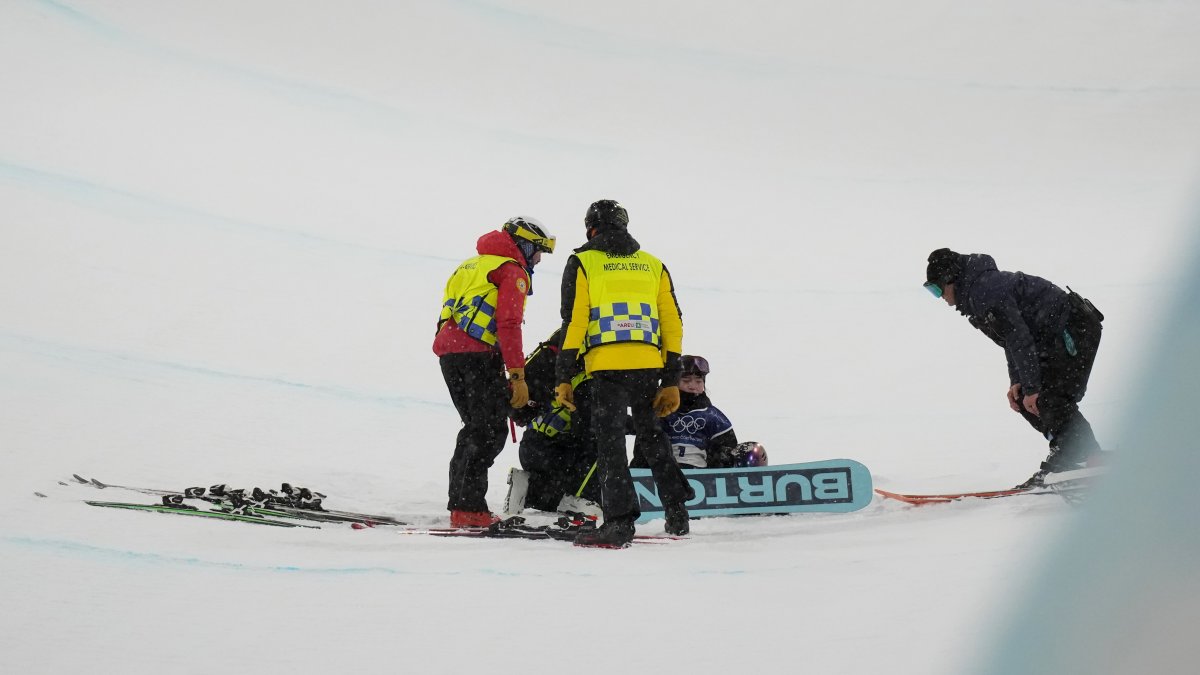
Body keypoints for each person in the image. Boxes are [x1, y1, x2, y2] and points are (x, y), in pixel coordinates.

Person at [554, 199, 692, 548]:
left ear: (591, 229)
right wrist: (671, 379)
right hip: (647, 364)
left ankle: (619, 521)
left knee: (611, 444)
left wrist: (563, 376)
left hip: (607, 366)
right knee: (652, 437)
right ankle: (677, 510)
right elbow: (672, 323)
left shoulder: (583, 262)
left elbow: (574, 322)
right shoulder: (653, 264)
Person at [924, 248, 1105, 488]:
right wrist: (1018, 382)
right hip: (1049, 339)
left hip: (1073, 327)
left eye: (937, 290)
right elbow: (1010, 341)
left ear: (951, 280)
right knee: (1023, 399)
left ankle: (1078, 456)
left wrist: (1032, 387)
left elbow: (1019, 339)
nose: (940, 298)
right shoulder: (977, 294)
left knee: (1048, 397)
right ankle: (1081, 455)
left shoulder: (985, 291)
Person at [433, 216, 555, 527]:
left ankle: (462, 505)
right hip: (477, 356)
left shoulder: (470, 265)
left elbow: (448, 310)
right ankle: (469, 507)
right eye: (538, 251)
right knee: (488, 431)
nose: (538, 260)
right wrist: (517, 375)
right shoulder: (512, 271)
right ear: (524, 245)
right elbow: (509, 324)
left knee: (476, 429)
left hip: (449, 354)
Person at [511, 329, 602, 514]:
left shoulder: (561, 379)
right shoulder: (587, 381)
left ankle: (528, 488)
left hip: (532, 446)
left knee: (549, 503)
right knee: (605, 442)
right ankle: (581, 498)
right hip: (554, 451)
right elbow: (590, 427)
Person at [633, 354, 767, 469]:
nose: (693, 386)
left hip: (701, 475)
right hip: (662, 474)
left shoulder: (713, 416)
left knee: (752, 451)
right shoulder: (661, 411)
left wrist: (721, 455)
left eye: (698, 381)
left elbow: (728, 449)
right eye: (686, 381)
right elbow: (643, 443)